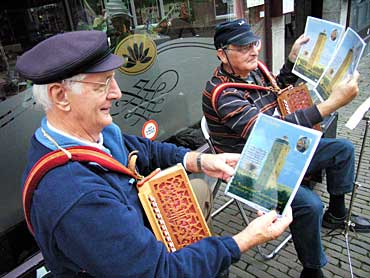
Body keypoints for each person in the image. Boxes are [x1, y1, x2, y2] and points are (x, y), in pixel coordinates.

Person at [16, 30, 292, 277]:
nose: (117, 93)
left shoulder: (90, 134)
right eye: (102, 84)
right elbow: (161, 271)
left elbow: (146, 149)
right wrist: (244, 240)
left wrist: (201, 160)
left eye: (113, 80)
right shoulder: (76, 197)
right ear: (60, 96)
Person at [202, 19, 370, 278]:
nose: (254, 50)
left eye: (254, 43)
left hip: (281, 148)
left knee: (343, 149)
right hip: (252, 162)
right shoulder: (222, 93)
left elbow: (275, 89)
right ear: (222, 54)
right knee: (309, 205)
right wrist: (331, 104)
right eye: (243, 47)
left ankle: (336, 215)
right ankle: (312, 271)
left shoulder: (254, 68)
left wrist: (291, 61)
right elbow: (269, 131)